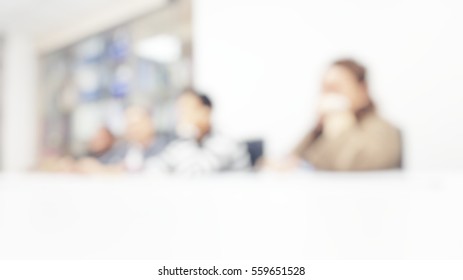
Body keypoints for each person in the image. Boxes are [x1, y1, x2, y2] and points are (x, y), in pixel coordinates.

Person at [291, 58, 402, 171]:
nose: (329, 96)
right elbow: (290, 160)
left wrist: (341, 131)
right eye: (325, 88)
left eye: (335, 88)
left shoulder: (382, 129)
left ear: (362, 90)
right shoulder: (321, 129)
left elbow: (358, 167)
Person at [147, 89, 250, 175]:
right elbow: (155, 168)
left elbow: (198, 173)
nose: (183, 116)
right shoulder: (180, 144)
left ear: (205, 112)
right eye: (180, 110)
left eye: (188, 109)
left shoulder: (227, 143)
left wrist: (189, 134)